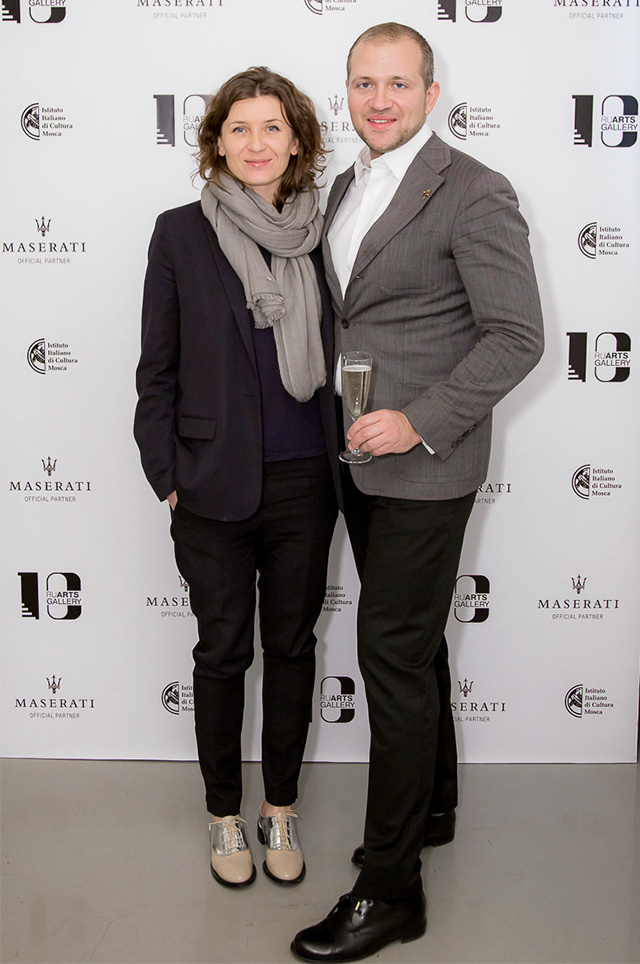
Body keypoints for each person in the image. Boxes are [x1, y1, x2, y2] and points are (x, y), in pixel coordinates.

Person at [291, 22, 544, 962]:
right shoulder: (346, 186)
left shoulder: (474, 188)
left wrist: (420, 419)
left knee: (390, 658)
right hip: (357, 458)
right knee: (416, 643)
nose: (380, 99)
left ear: (432, 94)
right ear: (347, 91)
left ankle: (391, 891)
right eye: (364, 82)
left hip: (426, 465)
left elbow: (517, 336)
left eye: (399, 83)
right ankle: (433, 807)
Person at [134, 66, 340, 890]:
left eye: (272, 128)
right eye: (239, 128)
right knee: (222, 652)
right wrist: (167, 474)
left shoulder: (327, 231)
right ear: (217, 141)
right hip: (212, 486)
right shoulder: (179, 233)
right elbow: (157, 367)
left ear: (297, 141)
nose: (256, 144)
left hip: (306, 482)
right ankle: (225, 815)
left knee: (290, 647)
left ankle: (279, 806)